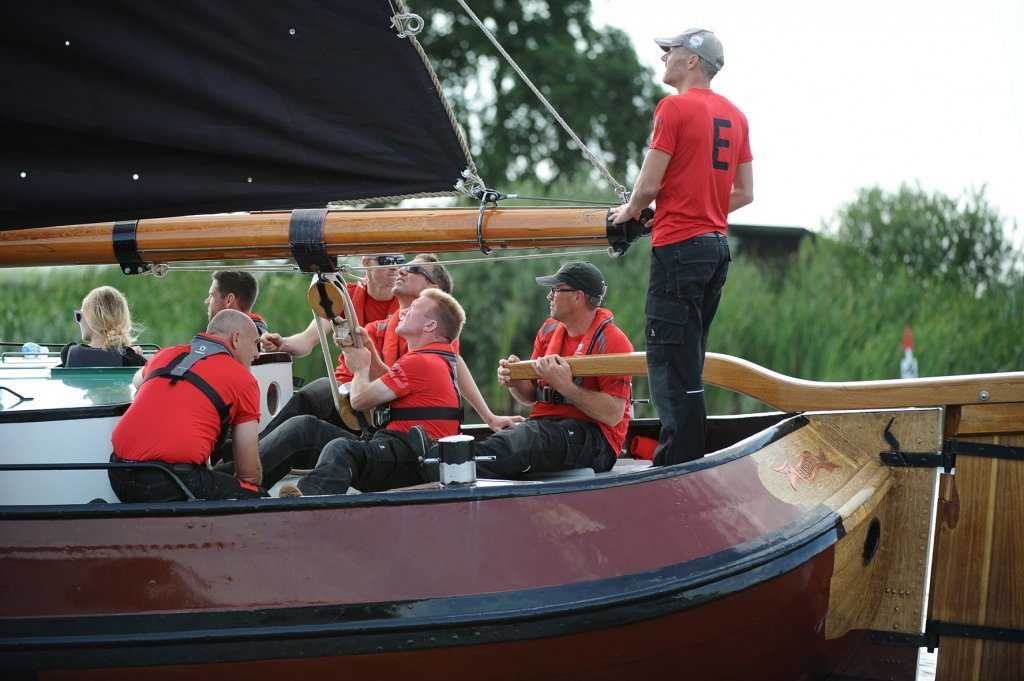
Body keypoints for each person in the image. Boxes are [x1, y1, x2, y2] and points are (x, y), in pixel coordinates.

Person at [610, 28, 754, 466]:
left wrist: (629, 211)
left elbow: (648, 185)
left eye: (668, 51)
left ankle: (676, 467)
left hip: (680, 250)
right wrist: (699, 204)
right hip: (715, 249)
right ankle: (690, 459)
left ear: (691, 60)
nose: (663, 58)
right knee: (688, 360)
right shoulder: (736, 115)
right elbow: (744, 193)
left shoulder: (673, 108)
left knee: (669, 361)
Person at [259, 254, 518, 437]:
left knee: (315, 404)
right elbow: (311, 341)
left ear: (434, 292)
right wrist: (285, 343)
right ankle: (253, 456)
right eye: (389, 262)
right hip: (356, 400)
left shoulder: (435, 331)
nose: (399, 269)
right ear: (366, 264)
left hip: (375, 408)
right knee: (310, 410)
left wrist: (489, 417)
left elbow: (453, 365)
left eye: (408, 267)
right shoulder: (372, 320)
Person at [264, 288, 465, 495]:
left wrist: (361, 369)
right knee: (305, 429)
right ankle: (247, 482)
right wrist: (369, 350)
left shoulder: (420, 361)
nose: (403, 312)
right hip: (404, 453)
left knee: (342, 449)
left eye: (414, 308)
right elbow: (388, 387)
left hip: (411, 460)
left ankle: (307, 504)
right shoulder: (433, 360)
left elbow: (359, 401)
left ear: (430, 325)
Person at [467, 261, 633, 479]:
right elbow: (528, 396)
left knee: (527, 439)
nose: (549, 297)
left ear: (578, 297)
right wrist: (515, 381)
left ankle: (453, 465)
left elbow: (613, 415)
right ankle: (450, 464)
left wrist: (566, 387)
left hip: (597, 441)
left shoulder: (614, 342)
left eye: (555, 290)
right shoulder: (548, 331)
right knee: (519, 437)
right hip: (545, 426)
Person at [108, 309, 264, 502]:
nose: (257, 354)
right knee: (255, 493)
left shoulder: (165, 354)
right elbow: (249, 475)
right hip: (171, 483)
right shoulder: (244, 381)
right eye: (256, 344)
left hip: (117, 474)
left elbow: (137, 381)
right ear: (236, 338)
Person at [261, 254, 402, 355]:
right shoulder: (342, 296)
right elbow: (307, 340)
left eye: (399, 261)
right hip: (349, 378)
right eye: (386, 260)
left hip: (391, 380)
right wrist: (282, 343)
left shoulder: (411, 302)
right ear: (366, 263)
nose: (395, 267)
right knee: (307, 396)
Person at [60, 286, 146, 367]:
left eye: (79, 316)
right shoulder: (132, 360)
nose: (78, 321)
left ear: (91, 319)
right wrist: (132, 353)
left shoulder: (69, 354)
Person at [205, 270, 270, 336]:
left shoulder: (215, 344)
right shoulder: (263, 341)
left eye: (212, 295)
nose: (206, 302)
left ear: (229, 300)